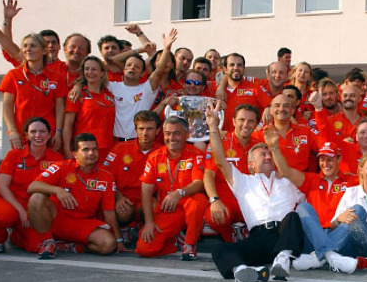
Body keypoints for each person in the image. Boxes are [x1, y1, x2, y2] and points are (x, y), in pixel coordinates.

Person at [205, 106, 306, 282]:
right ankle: (243, 271)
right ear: (251, 164)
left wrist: (275, 148)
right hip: (258, 238)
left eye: (269, 154)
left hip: (285, 236)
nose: (267, 157)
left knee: (293, 217)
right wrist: (213, 127)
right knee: (220, 249)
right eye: (262, 155)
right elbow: (220, 161)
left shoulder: (287, 179)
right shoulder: (244, 181)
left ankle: (283, 259)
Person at [264, 133, 359, 273]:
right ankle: (329, 255)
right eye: (322, 160)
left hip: (338, 234)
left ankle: (317, 258)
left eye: (330, 159)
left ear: (339, 159)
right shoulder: (311, 179)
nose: (325, 164)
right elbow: (286, 172)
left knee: (358, 210)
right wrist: (274, 148)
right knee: (302, 208)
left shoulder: (351, 181)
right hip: (312, 238)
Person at [26, 133, 123, 259]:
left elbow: (109, 212)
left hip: (83, 223)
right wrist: (57, 190)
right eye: (85, 150)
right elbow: (32, 187)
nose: (91, 153)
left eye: (94, 149)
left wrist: (119, 240)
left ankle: (69, 247)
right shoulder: (61, 167)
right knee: (36, 198)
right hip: (54, 221)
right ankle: (48, 242)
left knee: (108, 244)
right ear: (75, 154)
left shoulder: (107, 177)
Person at [136, 117, 208, 260]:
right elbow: (146, 190)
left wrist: (179, 193)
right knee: (143, 249)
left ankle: (190, 244)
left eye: (176, 133)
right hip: (168, 209)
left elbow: (199, 183)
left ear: (186, 135)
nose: (171, 138)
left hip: (188, 205)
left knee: (199, 200)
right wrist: (149, 222)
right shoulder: (154, 157)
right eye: (167, 133)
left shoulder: (196, 154)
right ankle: (173, 241)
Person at [0, 117, 64, 253]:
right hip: (8, 201)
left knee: (35, 245)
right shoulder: (14, 155)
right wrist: (20, 210)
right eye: (33, 132)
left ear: (49, 135)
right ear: (26, 135)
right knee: (5, 215)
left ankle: (16, 237)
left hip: (34, 207)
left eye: (42, 131)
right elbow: (3, 187)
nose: (38, 136)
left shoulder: (57, 159)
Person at [203, 105, 260, 242]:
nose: (246, 125)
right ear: (233, 121)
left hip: (251, 201)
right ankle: (231, 236)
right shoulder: (219, 142)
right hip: (225, 201)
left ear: (256, 124)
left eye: (251, 121)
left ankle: (249, 234)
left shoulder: (260, 146)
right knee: (215, 216)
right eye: (241, 120)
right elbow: (208, 175)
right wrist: (214, 200)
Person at [0, 33, 65, 151]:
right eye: (25, 46)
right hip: (21, 134)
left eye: (33, 46)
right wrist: (12, 131)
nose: (28, 49)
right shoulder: (13, 75)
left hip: (48, 135)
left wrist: (58, 132)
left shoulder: (56, 77)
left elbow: (60, 107)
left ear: (44, 51)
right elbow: (7, 105)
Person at [101, 111, 161, 240]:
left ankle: (143, 229)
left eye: (149, 129)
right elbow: (104, 177)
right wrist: (117, 196)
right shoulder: (120, 148)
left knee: (156, 207)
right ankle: (124, 231)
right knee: (123, 212)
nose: (145, 133)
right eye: (141, 129)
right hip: (125, 199)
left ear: (157, 131)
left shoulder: (162, 152)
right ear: (135, 130)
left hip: (147, 200)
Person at [62, 56, 115, 161]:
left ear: (102, 73)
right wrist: (67, 149)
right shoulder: (77, 94)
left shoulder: (109, 94)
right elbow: (68, 125)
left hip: (107, 148)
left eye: (94, 69)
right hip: (84, 148)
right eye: (87, 69)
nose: (90, 72)